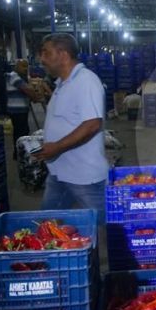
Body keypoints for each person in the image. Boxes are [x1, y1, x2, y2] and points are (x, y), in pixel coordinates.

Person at [32, 33, 108, 226]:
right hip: (60, 173)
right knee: (46, 225)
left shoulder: (86, 81)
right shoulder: (62, 84)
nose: (42, 59)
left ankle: (133, 252)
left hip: (83, 176)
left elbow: (92, 124)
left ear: (63, 55)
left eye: (46, 53)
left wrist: (57, 147)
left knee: (110, 225)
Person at [5, 59, 42, 158]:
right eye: (23, 66)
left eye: (27, 67)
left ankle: (19, 153)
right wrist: (36, 97)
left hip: (21, 109)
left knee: (21, 131)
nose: (26, 69)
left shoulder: (22, 77)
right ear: (17, 67)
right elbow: (27, 89)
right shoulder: (13, 76)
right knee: (21, 132)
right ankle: (19, 153)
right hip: (17, 110)